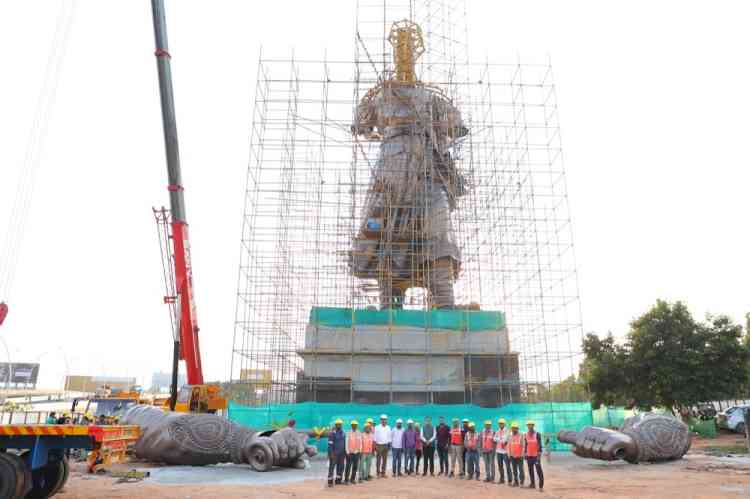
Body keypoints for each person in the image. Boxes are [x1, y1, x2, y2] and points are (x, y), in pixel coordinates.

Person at [525, 420, 544, 491]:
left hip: (536, 456)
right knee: (530, 470)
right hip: (529, 456)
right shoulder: (526, 435)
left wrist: (538, 457)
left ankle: (541, 486)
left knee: (539, 471)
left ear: (533, 426)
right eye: (528, 425)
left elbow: (540, 446)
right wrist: (525, 453)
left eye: (531, 425)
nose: (530, 426)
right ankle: (532, 484)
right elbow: (526, 444)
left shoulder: (537, 434)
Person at [327, 419, 347, 487]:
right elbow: (330, 445)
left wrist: (345, 452)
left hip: (342, 454)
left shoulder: (343, 433)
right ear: (335, 425)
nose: (339, 425)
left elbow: (344, 443)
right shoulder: (332, 433)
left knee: (340, 467)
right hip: (334, 454)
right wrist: (331, 454)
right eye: (338, 424)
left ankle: (338, 480)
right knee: (332, 467)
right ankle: (330, 482)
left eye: (340, 424)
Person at [494, 418, 512, 485]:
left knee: (507, 466)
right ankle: (502, 479)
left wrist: (499, 439)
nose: (500, 424)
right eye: (499, 423)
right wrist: (500, 439)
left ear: (504, 424)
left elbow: (505, 440)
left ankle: (510, 480)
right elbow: (494, 438)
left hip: (505, 452)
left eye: (502, 423)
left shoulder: (507, 431)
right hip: (498, 451)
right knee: (500, 466)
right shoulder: (497, 431)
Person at [344, 420, 362, 485]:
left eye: (355, 425)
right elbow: (346, 443)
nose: (354, 426)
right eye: (353, 425)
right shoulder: (348, 433)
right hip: (350, 453)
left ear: (357, 426)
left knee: (355, 467)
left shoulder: (359, 433)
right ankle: (346, 480)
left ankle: (352, 479)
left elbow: (360, 443)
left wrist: (360, 450)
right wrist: (347, 452)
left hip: (356, 452)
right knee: (348, 467)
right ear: (351, 426)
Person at [508, 421, 525, 487]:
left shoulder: (521, 435)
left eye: (515, 428)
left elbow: (523, 445)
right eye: (513, 428)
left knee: (521, 469)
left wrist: (522, 454)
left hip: (519, 456)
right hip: (512, 456)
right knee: (514, 470)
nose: (514, 429)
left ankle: (522, 482)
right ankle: (516, 482)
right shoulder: (510, 435)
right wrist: (509, 454)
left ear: (517, 428)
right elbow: (509, 445)